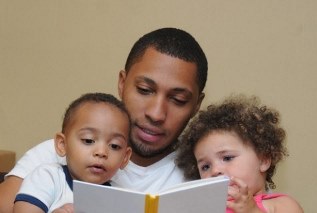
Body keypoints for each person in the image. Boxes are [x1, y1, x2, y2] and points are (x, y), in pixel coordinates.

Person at [0, 27, 207, 213]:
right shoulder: (57, 155)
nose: (156, 113)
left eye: (178, 100)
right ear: (122, 83)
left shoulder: (204, 172)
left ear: (197, 104)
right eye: (144, 90)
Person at [176, 94, 303, 213]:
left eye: (227, 158)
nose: (215, 171)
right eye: (205, 166)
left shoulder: (281, 205)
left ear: (263, 160)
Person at [13, 93, 132, 213]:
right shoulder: (48, 178)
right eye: (88, 140)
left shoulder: (119, 198)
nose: (101, 152)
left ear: (125, 158)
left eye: (114, 146)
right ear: (62, 145)